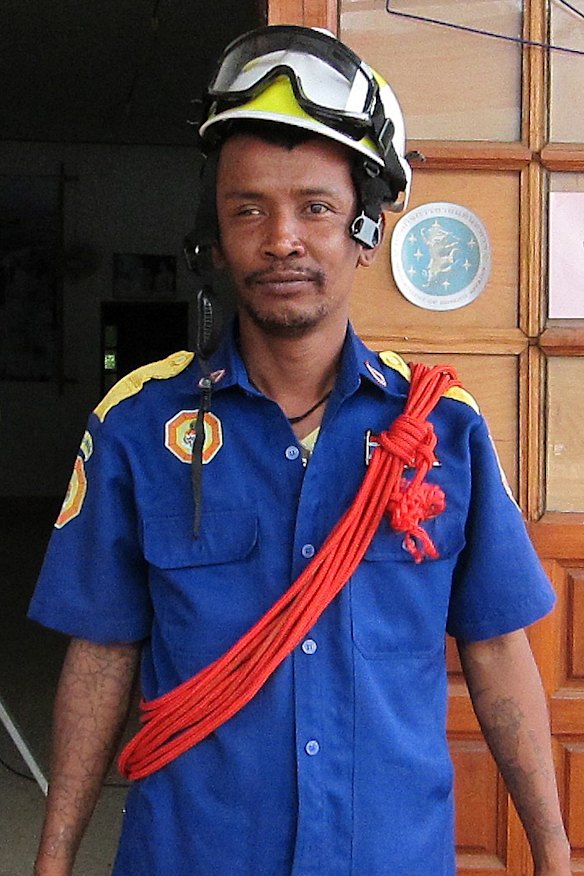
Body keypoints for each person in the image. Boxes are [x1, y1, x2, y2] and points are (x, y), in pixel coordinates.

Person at [29, 25, 571, 876]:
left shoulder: (445, 430)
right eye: (248, 209)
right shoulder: (136, 425)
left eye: (315, 207)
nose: (282, 238)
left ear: (363, 228)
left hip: (390, 857)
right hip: (192, 857)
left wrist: (553, 854)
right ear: (212, 235)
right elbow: (101, 651)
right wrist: (53, 859)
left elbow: (499, 650)